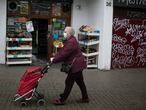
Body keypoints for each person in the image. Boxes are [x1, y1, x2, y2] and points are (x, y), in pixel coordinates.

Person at [50, 26, 89, 105]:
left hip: (76, 65)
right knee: (80, 82)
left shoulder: (71, 42)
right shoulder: (70, 40)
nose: (64, 33)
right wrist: (56, 56)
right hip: (78, 64)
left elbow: (64, 53)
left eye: (65, 32)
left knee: (69, 82)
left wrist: (54, 60)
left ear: (70, 33)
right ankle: (85, 98)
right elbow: (63, 51)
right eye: (64, 31)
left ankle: (62, 99)